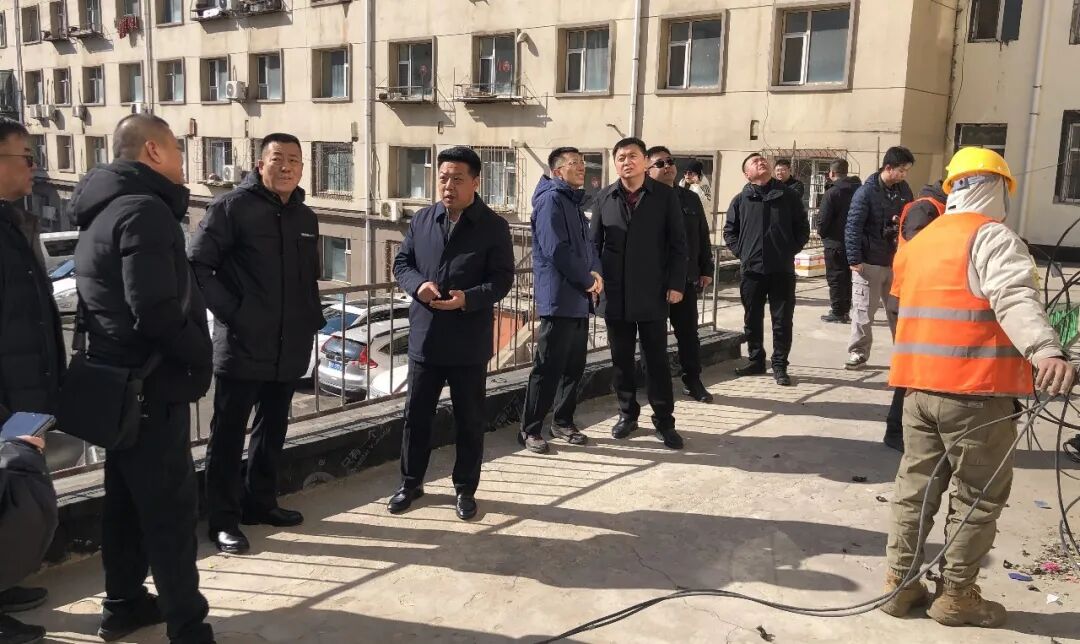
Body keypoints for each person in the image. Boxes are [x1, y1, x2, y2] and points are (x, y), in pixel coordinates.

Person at [881, 147, 1076, 628]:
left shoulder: (921, 240)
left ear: (954, 188)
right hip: (975, 392)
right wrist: (1045, 349)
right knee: (976, 497)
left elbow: (903, 305)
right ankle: (957, 597)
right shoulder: (990, 236)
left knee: (915, 490)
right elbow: (1013, 297)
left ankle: (899, 586)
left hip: (917, 391)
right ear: (997, 188)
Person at [71, 114, 214, 643]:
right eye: (177, 149)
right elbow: (154, 310)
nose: (183, 160)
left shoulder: (102, 210)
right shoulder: (145, 210)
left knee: (125, 507)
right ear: (153, 151)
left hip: (119, 388)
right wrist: (200, 355)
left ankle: (124, 604)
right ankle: (188, 627)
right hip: (151, 390)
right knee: (171, 516)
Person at [189, 133, 325, 555]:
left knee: (273, 428)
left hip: (289, 345)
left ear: (302, 168)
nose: (287, 167)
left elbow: (308, 279)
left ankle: (261, 503)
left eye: (294, 160)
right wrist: (235, 313)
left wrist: (310, 320)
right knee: (228, 437)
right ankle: (223, 521)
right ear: (260, 163)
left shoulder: (305, 216)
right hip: (243, 344)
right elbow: (197, 264)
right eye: (278, 158)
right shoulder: (231, 208)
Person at [389, 146, 514, 520]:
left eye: (457, 178)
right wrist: (418, 286)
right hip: (425, 338)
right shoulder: (423, 219)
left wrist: (468, 299)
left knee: (469, 421)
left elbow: (502, 280)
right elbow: (402, 262)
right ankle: (411, 483)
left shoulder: (493, 226)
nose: (448, 185)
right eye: (443, 177)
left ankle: (465, 489)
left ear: (476, 182)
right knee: (416, 418)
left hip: (468, 342)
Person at [0, 119, 63, 644]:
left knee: (14, 502)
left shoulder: (12, 222)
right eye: (25, 155)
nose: (33, 166)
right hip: (5, 402)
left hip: (24, 394)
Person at [591, 138, 688, 449]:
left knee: (655, 359)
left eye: (632, 156)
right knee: (621, 359)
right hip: (615, 293)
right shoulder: (604, 197)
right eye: (620, 157)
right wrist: (594, 282)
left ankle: (664, 421)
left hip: (653, 291)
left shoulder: (664, 196)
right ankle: (627, 414)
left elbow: (678, 244)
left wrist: (676, 284)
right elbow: (594, 245)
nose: (626, 162)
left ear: (645, 161)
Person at [518, 147, 602, 454]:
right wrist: (587, 280)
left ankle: (563, 421)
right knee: (548, 367)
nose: (582, 168)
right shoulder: (551, 200)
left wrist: (595, 273)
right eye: (574, 163)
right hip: (559, 297)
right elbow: (556, 249)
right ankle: (530, 429)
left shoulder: (572, 201)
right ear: (557, 171)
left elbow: (588, 247)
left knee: (574, 366)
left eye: (582, 163)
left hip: (579, 297)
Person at [724, 153, 810, 386]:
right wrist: (743, 252)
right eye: (754, 162)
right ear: (747, 174)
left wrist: (789, 250)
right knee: (752, 318)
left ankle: (780, 365)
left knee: (782, 320)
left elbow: (802, 228)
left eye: (763, 160)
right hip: (752, 271)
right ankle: (756, 360)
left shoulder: (788, 196)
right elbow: (730, 231)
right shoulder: (740, 200)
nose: (761, 162)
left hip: (781, 270)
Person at [882, 179, 947, 452]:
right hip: (909, 298)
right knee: (911, 369)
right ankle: (896, 430)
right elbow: (922, 247)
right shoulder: (926, 207)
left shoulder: (938, 208)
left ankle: (907, 429)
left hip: (920, 297)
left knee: (920, 368)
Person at [647, 146, 715, 403]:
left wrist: (706, 268)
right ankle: (654, 384)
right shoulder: (643, 199)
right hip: (652, 282)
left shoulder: (689, 198)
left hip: (684, 279)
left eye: (670, 161)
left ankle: (692, 380)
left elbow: (701, 235)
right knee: (653, 338)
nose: (667, 166)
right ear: (647, 169)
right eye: (660, 163)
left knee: (688, 334)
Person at [843, 146, 914, 370]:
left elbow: (910, 219)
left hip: (895, 261)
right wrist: (854, 258)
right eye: (901, 170)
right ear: (888, 167)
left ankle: (904, 354)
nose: (904, 175)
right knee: (864, 311)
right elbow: (853, 226)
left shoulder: (904, 190)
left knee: (899, 311)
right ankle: (858, 352)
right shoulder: (866, 192)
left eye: (907, 171)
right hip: (869, 262)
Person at [815, 159, 861, 324]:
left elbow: (823, 220)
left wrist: (822, 233)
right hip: (854, 242)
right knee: (848, 278)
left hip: (835, 242)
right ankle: (845, 309)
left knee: (836, 277)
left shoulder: (832, 193)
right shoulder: (859, 190)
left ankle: (838, 311)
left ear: (832, 173)